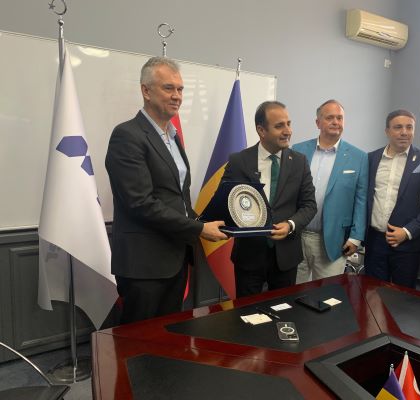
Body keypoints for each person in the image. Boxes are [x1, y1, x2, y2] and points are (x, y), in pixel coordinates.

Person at [105, 57, 227, 324]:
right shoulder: (127, 135)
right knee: (139, 341)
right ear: (146, 91)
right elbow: (140, 203)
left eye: (180, 89)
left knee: (168, 336)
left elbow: (177, 198)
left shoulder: (173, 137)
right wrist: (199, 229)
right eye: (168, 88)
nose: (177, 96)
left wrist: (210, 220)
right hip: (144, 264)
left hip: (175, 257)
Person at [221, 101, 317, 297]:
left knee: (284, 310)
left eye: (288, 124)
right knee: (247, 312)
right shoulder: (239, 161)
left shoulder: (299, 162)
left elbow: (309, 205)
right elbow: (224, 201)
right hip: (249, 256)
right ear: (261, 130)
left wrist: (290, 224)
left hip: (286, 257)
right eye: (279, 126)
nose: (288, 131)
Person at [292, 99, 368, 283]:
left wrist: (356, 237)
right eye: (330, 118)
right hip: (297, 237)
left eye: (339, 118)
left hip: (333, 241)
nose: (335, 122)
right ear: (318, 122)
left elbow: (361, 199)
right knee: (293, 292)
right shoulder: (298, 150)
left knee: (327, 294)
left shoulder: (358, 157)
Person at [365, 109, 420, 288]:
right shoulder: (371, 158)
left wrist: (408, 231)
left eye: (409, 127)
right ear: (387, 131)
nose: (404, 132)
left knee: (403, 297)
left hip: (407, 243)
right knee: (373, 293)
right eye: (398, 127)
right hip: (375, 241)